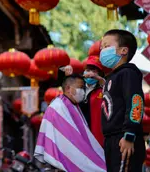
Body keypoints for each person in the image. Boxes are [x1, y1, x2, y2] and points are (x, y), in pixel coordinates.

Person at [34, 74, 106, 172]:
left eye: (83, 88)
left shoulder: (72, 105)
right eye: (80, 88)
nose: (83, 91)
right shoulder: (58, 107)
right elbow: (69, 142)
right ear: (68, 88)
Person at [100, 29, 145, 172]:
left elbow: (135, 103)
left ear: (123, 50)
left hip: (124, 138)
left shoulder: (128, 73)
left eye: (106, 46)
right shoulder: (111, 77)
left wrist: (129, 135)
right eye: (102, 48)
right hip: (111, 139)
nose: (102, 51)